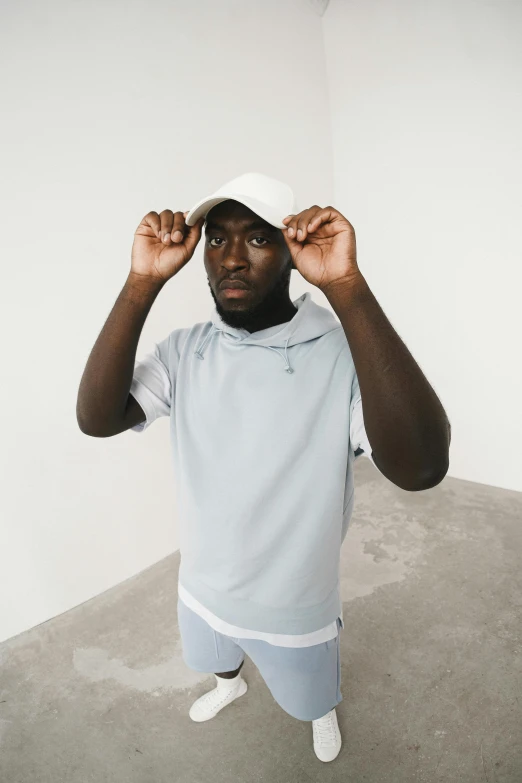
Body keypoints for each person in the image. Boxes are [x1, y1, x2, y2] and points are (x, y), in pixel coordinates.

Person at [76, 172, 451, 764]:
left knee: (307, 695)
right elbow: (98, 418)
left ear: (292, 253)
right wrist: (141, 282)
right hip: (201, 583)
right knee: (215, 658)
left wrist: (348, 287)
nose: (231, 258)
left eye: (256, 239)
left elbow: (421, 468)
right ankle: (230, 684)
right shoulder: (188, 348)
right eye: (218, 240)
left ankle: (320, 710)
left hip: (293, 602)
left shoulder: (342, 354)